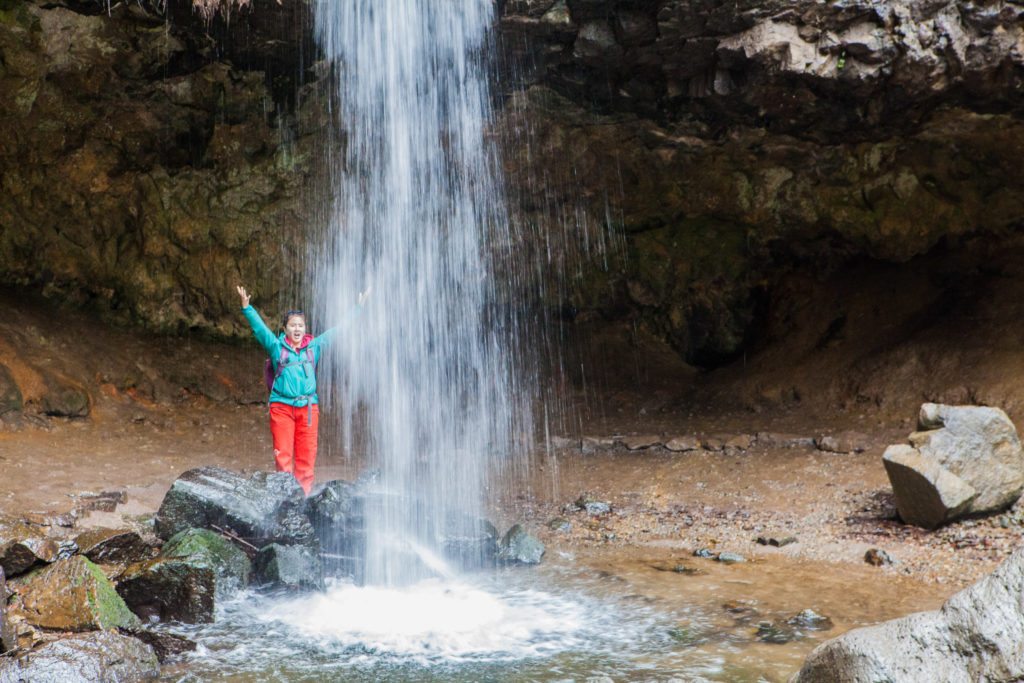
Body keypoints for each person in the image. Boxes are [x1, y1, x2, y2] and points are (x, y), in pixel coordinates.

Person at [235, 284, 367, 495]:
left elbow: (338, 331)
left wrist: (358, 309)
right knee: (283, 456)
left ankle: (304, 497)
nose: (297, 329)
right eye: (292, 325)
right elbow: (260, 329)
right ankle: (285, 497)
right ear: (285, 329)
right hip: (282, 408)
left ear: (305, 329)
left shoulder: (314, 346)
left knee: (306, 458)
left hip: (308, 409)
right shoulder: (276, 347)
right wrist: (247, 307)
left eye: (300, 325)